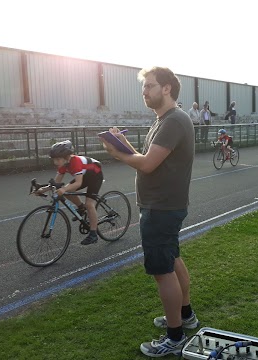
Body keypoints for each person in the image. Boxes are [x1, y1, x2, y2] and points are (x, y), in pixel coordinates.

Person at [99, 66, 198, 357]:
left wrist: (116, 153)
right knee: (173, 258)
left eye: (150, 86)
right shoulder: (165, 119)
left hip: (161, 207)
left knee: (162, 271)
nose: (145, 91)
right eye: (144, 86)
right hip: (164, 205)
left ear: (167, 88)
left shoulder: (173, 121)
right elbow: (145, 156)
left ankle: (175, 335)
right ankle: (186, 315)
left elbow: (146, 164)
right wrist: (123, 142)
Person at [36, 140, 103, 245]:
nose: (55, 162)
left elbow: (78, 183)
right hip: (84, 175)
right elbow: (56, 182)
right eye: (54, 160)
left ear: (67, 157)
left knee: (89, 204)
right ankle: (81, 208)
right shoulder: (63, 164)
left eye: (58, 159)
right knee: (66, 192)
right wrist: (43, 189)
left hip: (95, 176)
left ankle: (93, 234)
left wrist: (64, 189)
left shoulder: (75, 162)